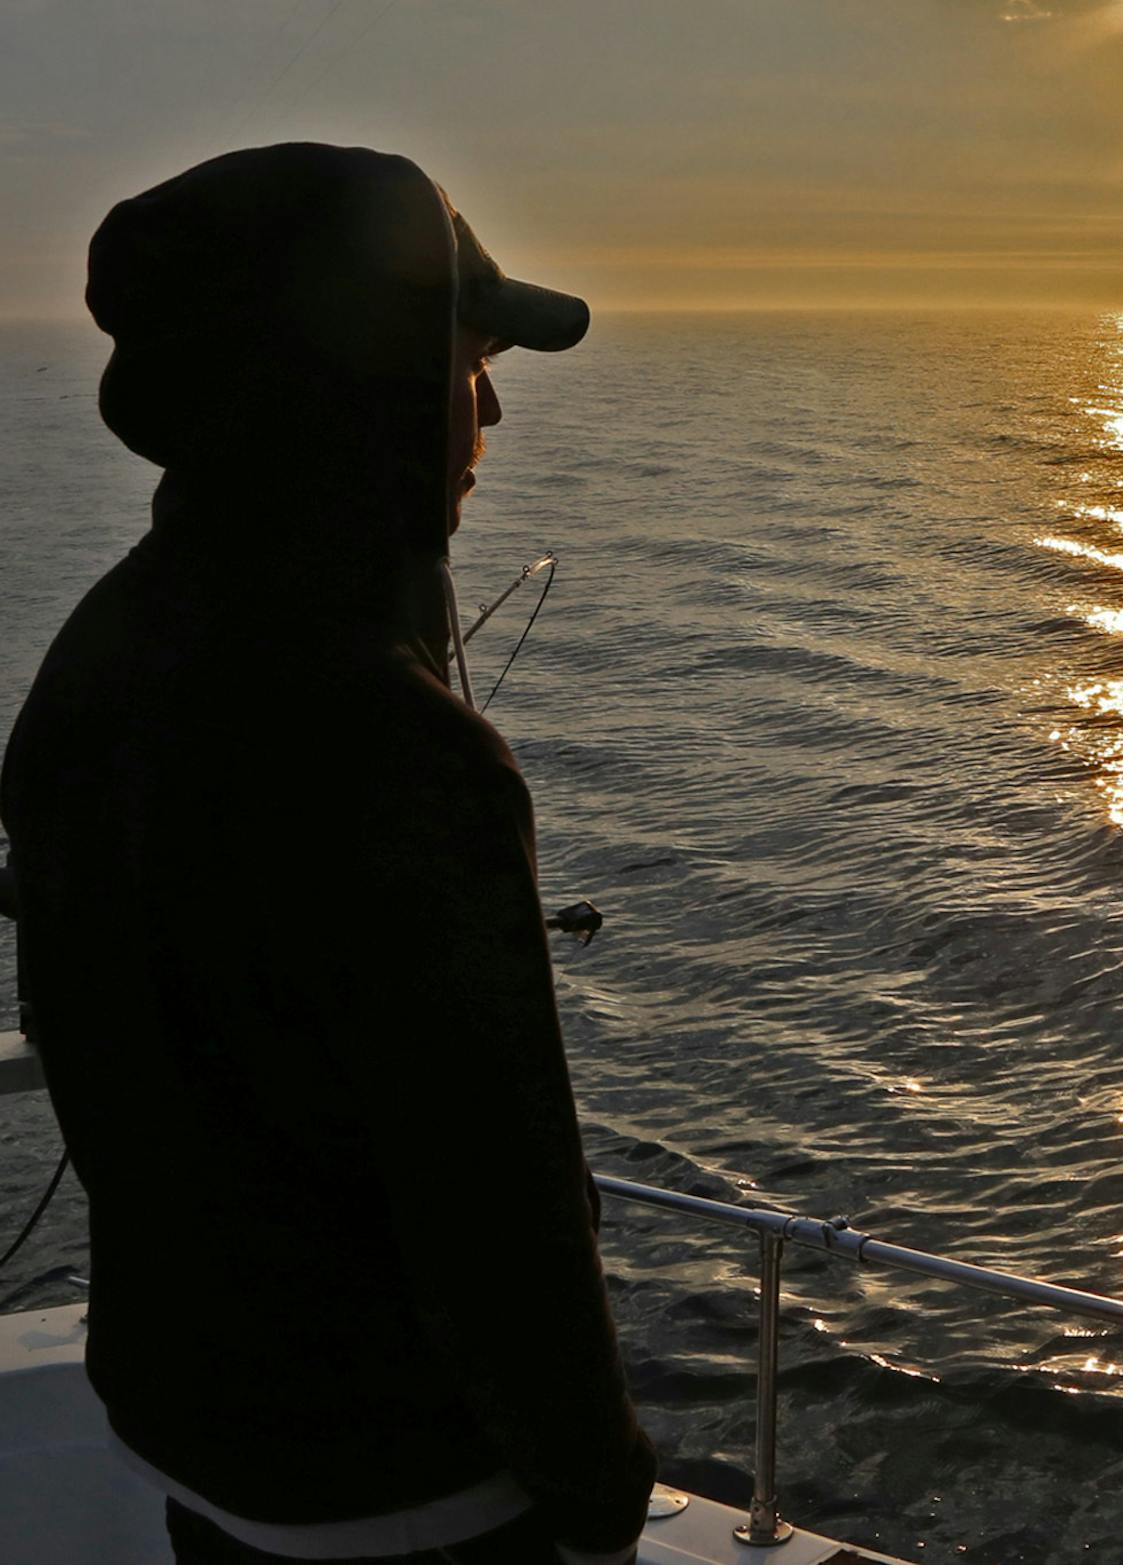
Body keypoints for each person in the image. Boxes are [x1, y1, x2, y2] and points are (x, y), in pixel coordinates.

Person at [0, 144, 656, 1563]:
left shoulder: (95, 666)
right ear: (355, 392)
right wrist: (599, 1495)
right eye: (465, 364)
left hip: (200, 1439)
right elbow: (499, 1217)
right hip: (409, 1491)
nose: (485, 410)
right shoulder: (395, 748)